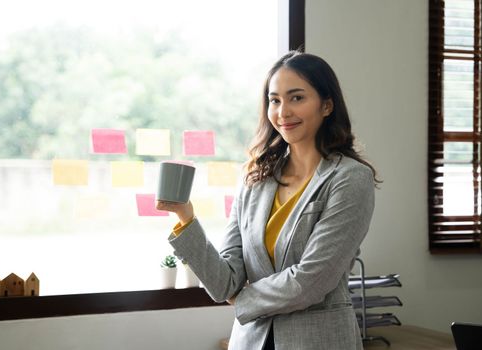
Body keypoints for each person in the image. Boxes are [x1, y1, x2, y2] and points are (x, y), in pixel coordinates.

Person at [156, 51, 378, 350]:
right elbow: (225, 284)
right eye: (275, 100)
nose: (283, 112)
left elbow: (312, 281)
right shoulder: (255, 178)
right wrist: (186, 219)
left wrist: (244, 299)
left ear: (327, 105)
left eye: (297, 98)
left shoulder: (350, 178)